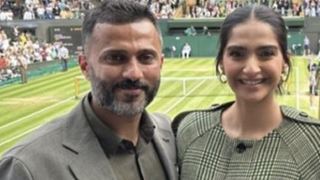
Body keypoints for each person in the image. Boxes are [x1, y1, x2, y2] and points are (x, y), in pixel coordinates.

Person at [0, 1, 177, 180]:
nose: (133, 73)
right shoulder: (25, 167)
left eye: (146, 57)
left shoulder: (171, 134)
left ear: (160, 63)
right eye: (116, 57)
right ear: (85, 66)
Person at [173, 5, 320, 179]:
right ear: (221, 62)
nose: (251, 68)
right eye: (237, 53)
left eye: (266, 53)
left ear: (284, 62)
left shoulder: (313, 144)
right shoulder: (190, 130)